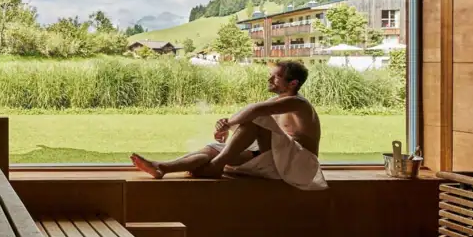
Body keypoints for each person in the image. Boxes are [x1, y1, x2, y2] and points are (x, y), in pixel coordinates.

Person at [130, 61, 327, 190]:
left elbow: (254, 112)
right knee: (211, 150)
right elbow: (256, 120)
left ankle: (216, 166)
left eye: (275, 76)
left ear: (293, 83)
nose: (269, 79)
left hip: (299, 164)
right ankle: (162, 167)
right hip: (275, 159)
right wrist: (230, 130)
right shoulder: (277, 102)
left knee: (252, 120)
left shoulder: (298, 104)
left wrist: (229, 124)